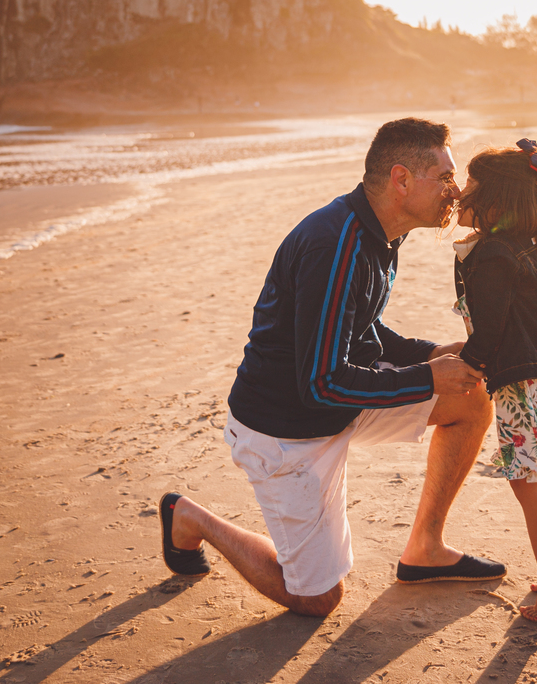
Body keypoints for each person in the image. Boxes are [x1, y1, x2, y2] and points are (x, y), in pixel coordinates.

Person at [158, 117, 504, 618]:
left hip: (333, 401)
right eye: (445, 177)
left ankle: (424, 550)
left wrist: (431, 355)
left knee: (470, 399)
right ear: (402, 180)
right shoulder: (334, 244)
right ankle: (189, 518)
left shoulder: (383, 233)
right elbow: (321, 382)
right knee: (317, 599)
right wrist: (429, 377)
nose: (455, 190)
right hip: (284, 429)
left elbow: (362, 332)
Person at [451, 139, 537, 621]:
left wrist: (470, 365)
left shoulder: (494, 254)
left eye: (470, 186)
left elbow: (491, 326)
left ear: (495, 202)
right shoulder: (523, 243)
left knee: (524, 476)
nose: (461, 193)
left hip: (518, 378)